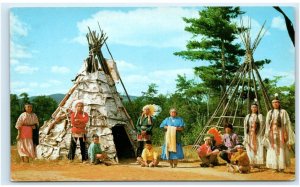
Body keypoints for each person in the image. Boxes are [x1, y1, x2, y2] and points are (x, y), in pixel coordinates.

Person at [264, 94, 295, 172]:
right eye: (274, 102)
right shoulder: (269, 113)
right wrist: (267, 133)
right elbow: (267, 125)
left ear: (279, 103)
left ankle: (281, 167)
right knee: (273, 148)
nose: (275, 104)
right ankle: (274, 166)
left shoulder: (283, 112)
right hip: (272, 132)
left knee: (281, 148)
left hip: (281, 131)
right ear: (272, 104)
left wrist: (286, 133)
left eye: (277, 102)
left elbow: (286, 124)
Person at [243, 101, 265, 168]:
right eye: (253, 107)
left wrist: (260, 135)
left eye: (255, 107)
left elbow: (262, 127)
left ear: (257, 108)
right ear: (251, 108)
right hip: (249, 134)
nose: (254, 108)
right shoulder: (247, 116)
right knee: (250, 148)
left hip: (258, 135)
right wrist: (246, 136)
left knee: (258, 148)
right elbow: (245, 127)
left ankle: (258, 163)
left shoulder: (260, 116)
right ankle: (251, 163)